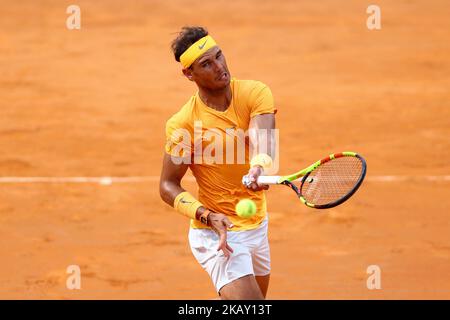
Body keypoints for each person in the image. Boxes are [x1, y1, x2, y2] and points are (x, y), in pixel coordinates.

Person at [159, 26, 277, 300]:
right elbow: (167, 185)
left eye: (219, 56)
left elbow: (264, 137)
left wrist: (258, 166)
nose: (219, 67)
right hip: (216, 233)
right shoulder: (183, 125)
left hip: (257, 224)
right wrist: (206, 216)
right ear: (189, 74)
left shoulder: (255, 93)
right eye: (206, 64)